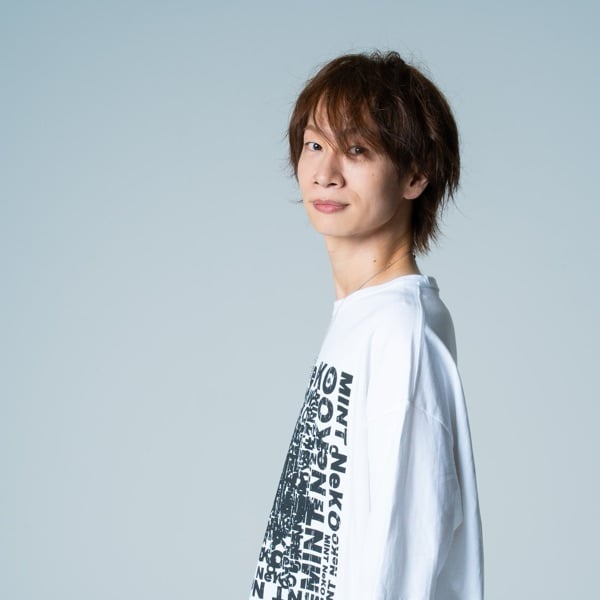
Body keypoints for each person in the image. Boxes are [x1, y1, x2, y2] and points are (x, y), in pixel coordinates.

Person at [249, 51, 483, 600]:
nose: (325, 173)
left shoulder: (401, 334)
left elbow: (401, 557)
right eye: (315, 145)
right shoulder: (364, 319)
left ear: (415, 175)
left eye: (356, 150)